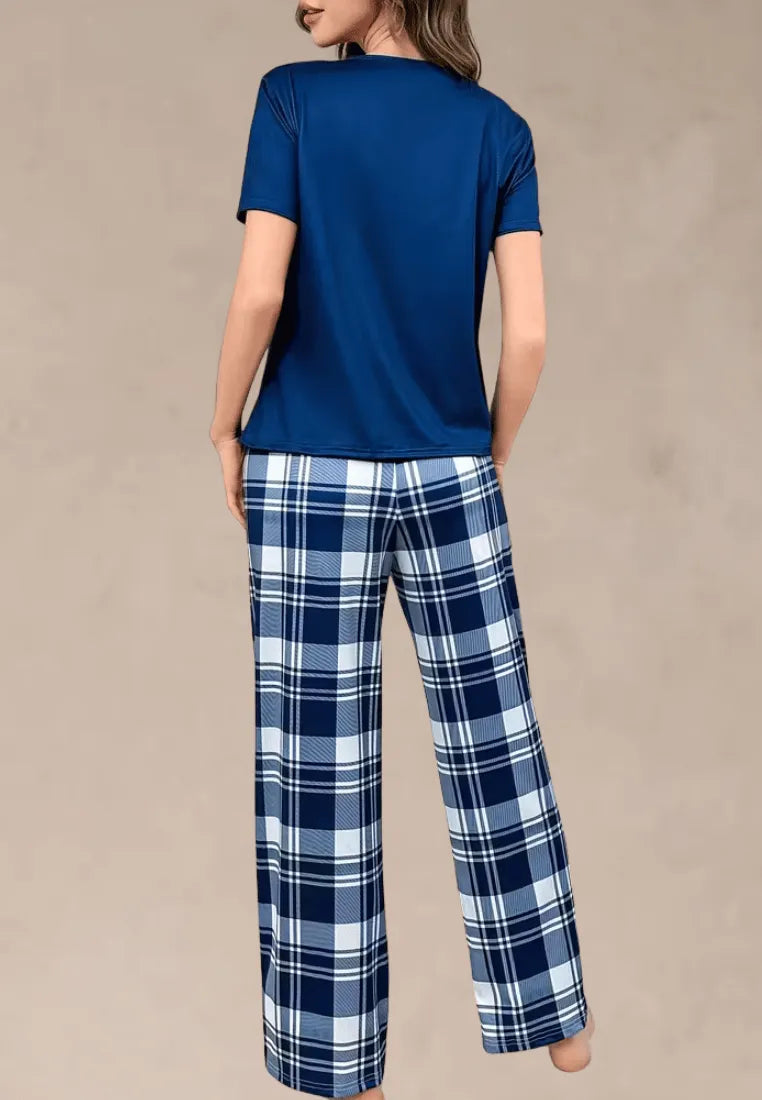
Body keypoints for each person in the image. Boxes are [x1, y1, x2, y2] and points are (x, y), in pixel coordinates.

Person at [209, 2, 595, 1097]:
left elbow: (261, 288)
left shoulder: (292, 99)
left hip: (306, 466)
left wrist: (222, 422)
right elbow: (528, 333)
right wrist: (490, 445)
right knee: (496, 739)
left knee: (317, 771)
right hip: (449, 464)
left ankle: (342, 1066)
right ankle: (558, 1017)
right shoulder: (498, 130)